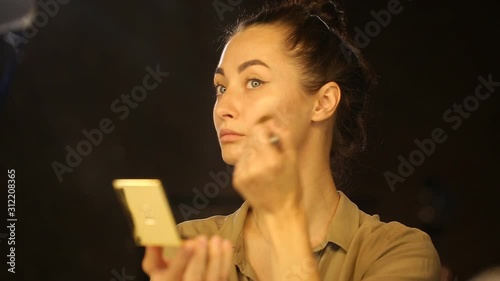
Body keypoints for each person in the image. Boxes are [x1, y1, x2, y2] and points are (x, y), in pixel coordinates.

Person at [142, 0, 441, 280]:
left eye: (254, 82)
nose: (223, 109)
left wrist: (283, 215)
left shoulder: (394, 251)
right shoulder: (190, 246)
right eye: (221, 88)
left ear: (323, 102)